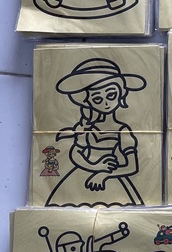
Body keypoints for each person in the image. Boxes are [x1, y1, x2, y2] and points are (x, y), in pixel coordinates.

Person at [45, 57, 146, 205]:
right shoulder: (86, 128)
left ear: (121, 94)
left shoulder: (122, 130)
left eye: (111, 95)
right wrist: (95, 167)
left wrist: (104, 175)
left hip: (113, 182)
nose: (106, 103)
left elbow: (132, 166)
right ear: (88, 101)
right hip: (81, 178)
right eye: (97, 99)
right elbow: (76, 153)